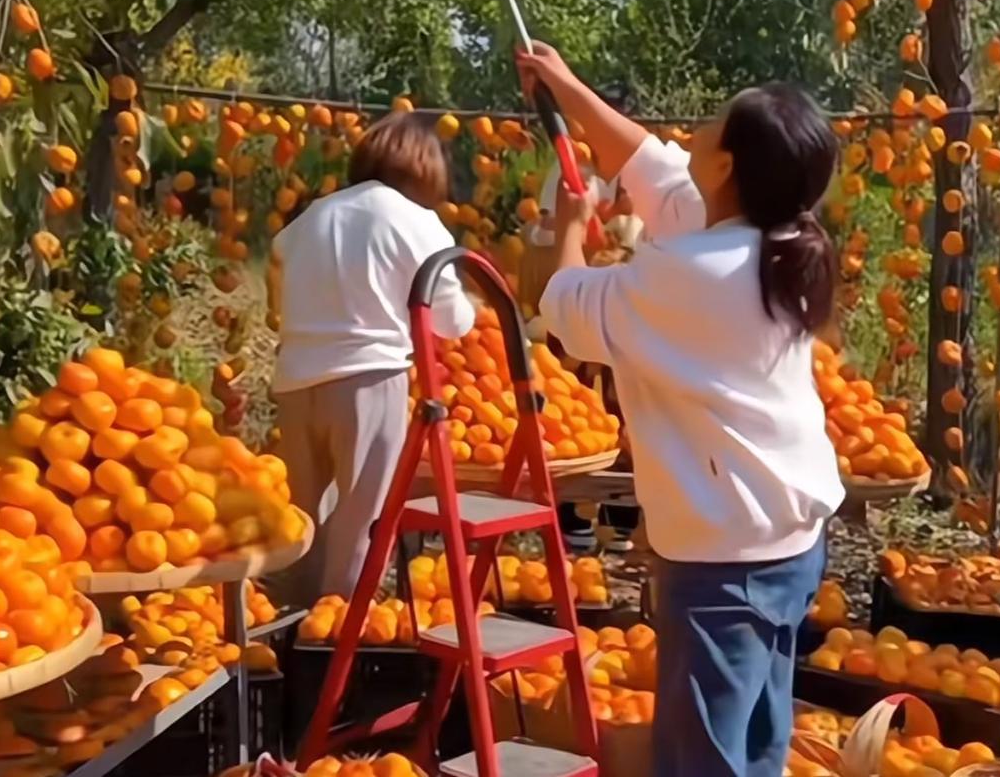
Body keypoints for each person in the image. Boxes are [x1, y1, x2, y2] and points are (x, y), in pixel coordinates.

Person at [516, 42, 844, 777]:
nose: (692, 130)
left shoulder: (695, 272)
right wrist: (566, 86)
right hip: (785, 541)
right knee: (757, 745)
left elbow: (564, 307)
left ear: (727, 164)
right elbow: (647, 166)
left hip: (727, 563)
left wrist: (567, 224)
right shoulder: (771, 235)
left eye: (712, 123)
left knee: (703, 761)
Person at [270, 112, 475, 606]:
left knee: (302, 519)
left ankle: (289, 631)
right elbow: (453, 321)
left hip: (296, 381)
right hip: (369, 379)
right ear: (425, 171)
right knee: (360, 523)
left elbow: (277, 278)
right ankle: (337, 639)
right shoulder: (415, 220)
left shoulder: (312, 216)